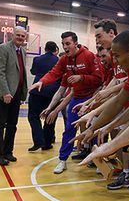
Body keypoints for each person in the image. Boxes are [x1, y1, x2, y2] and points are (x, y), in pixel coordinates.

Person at [29, 31, 102, 174]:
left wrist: (81, 78)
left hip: (92, 99)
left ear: (75, 43)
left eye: (68, 44)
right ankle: (62, 160)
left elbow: (99, 79)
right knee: (69, 130)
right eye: (63, 44)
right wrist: (42, 82)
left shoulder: (88, 56)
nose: (65, 47)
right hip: (76, 100)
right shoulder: (64, 60)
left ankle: (97, 160)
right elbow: (54, 74)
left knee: (93, 130)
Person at [0, 26, 28, 166]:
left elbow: (21, 73)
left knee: (12, 125)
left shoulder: (23, 51)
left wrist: (22, 92)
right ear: (13, 35)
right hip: (3, 94)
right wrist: (6, 92)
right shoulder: (3, 48)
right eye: (18, 35)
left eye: (23, 36)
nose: (20, 38)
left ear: (25, 38)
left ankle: (7, 152)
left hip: (17, 94)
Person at [27, 41, 60, 152]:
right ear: (55, 49)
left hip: (37, 91)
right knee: (50, 117)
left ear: (45, 49)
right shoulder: (58, 61)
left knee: (33, 116)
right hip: (53, 92)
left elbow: (33, 71)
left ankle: (38, 141)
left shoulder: (37, 59)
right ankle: (47, 142)